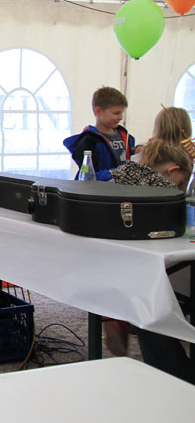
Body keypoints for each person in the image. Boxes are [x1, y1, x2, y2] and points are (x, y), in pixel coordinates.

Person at [108, 139, 193, 383]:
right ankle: (177, 377)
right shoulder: (155, 191)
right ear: (172, 171)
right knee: (149, 301)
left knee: (145, 301)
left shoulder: (122, 178)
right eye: (179, 184)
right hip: (144, 274)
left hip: (122, 268)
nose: (179, 191)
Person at [63, 86, 136, 181]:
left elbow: (129, 155)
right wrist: (119, 174)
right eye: (116, 113)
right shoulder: (88, 140)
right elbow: (89, 174)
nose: (121, 117)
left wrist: (141, 150)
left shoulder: (124, 135)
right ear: (99, 111)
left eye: (122, 113)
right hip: (100, 188)